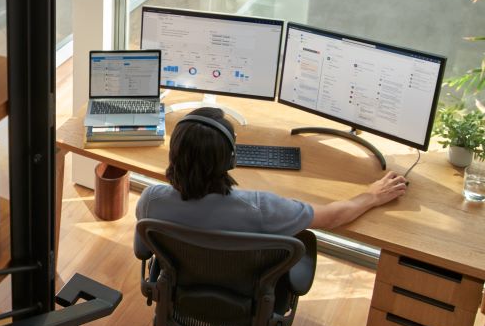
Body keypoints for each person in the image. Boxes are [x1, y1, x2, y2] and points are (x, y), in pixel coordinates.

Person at [135, 107, 407, 256]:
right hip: (244, 292)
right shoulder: (261, 208)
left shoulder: (151, 201)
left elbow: (145, 249)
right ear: (231, 159)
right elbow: (333, 217)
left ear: (174, 155)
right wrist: (372, 195)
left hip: (183, 284)